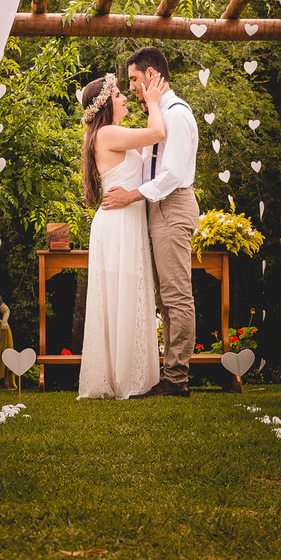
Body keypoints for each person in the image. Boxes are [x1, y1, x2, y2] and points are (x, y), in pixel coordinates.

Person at [102, 47, 200, 398]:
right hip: (157, 208)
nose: (131, 87)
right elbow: (149, 161)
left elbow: (171, 173)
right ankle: (171, 375)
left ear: (152, 76)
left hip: (172, 205)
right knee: (164, 295)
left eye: (133, 79)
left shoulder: (176, 114)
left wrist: (130, 195)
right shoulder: (159, 113)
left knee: (176, 294)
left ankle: (177, 379)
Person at [77, 69, 170, 399]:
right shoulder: (108, 134)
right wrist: (155, 100)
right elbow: (157, 131)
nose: (126, 97)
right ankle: (123, 379)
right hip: (118, 226)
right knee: (120, 296)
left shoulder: (109, 133)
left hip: (124, 221)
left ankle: (130, 376)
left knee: (126, 295)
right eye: (118, 96)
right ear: (105, 106)